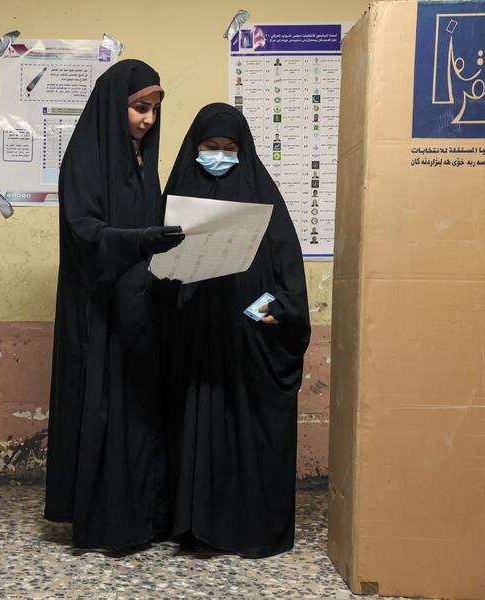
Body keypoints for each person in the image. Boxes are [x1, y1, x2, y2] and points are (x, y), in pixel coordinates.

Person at [44, 59, 184, 551]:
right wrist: (140, 239)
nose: (148, 119)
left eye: (154, 110)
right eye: (138, 107)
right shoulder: (85, 157)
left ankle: (143, 515)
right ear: (114, 105)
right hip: (99, 309)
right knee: (106, 409)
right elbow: (84, 233)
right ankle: (106, 521)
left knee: (139, 410)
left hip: (138, 308)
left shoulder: (140, 161)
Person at [163, 103, 310, 558]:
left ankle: (245, 525)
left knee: (245, 430)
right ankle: (189, 525)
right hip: (193, 343)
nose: (220, 156)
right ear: (195, 149)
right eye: (210, 147)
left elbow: (288, 270)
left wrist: (275, 308)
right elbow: (152, 267)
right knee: (190, 429)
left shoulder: (262, 197)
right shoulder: (178, 197)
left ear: (244, 151)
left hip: (250, 340)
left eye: (230, 149)